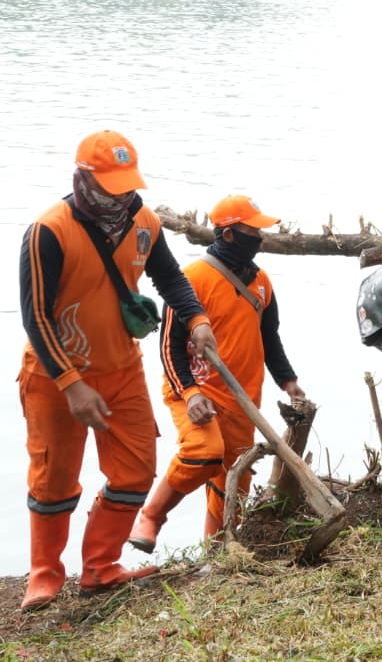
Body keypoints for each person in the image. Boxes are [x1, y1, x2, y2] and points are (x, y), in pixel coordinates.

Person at [17, 130, 216, 611]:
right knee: (53, 479)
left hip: (121, 368)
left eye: (127, 185)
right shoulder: (49, 230)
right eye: (110, 186)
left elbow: (170, 277)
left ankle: (101, 566)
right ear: (83, 179)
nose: (122, 195)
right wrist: (71, 384)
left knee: (135, 470)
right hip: (55, 375)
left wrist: (198, 320)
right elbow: (36, 315)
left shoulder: (143, 220)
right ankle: (44, 575)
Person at [128, 195, 306, 555]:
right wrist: (191, 393)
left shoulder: (262, 282)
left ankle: (217, 551)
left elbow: (268, 337)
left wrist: (288, 381)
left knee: (234, 479)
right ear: (226, 235)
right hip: (197, 390)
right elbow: (169, 346)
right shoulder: (193, 279)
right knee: (203, 452)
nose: (258, 236)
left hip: (242, 397)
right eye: (250, 230)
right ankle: (151, 515)